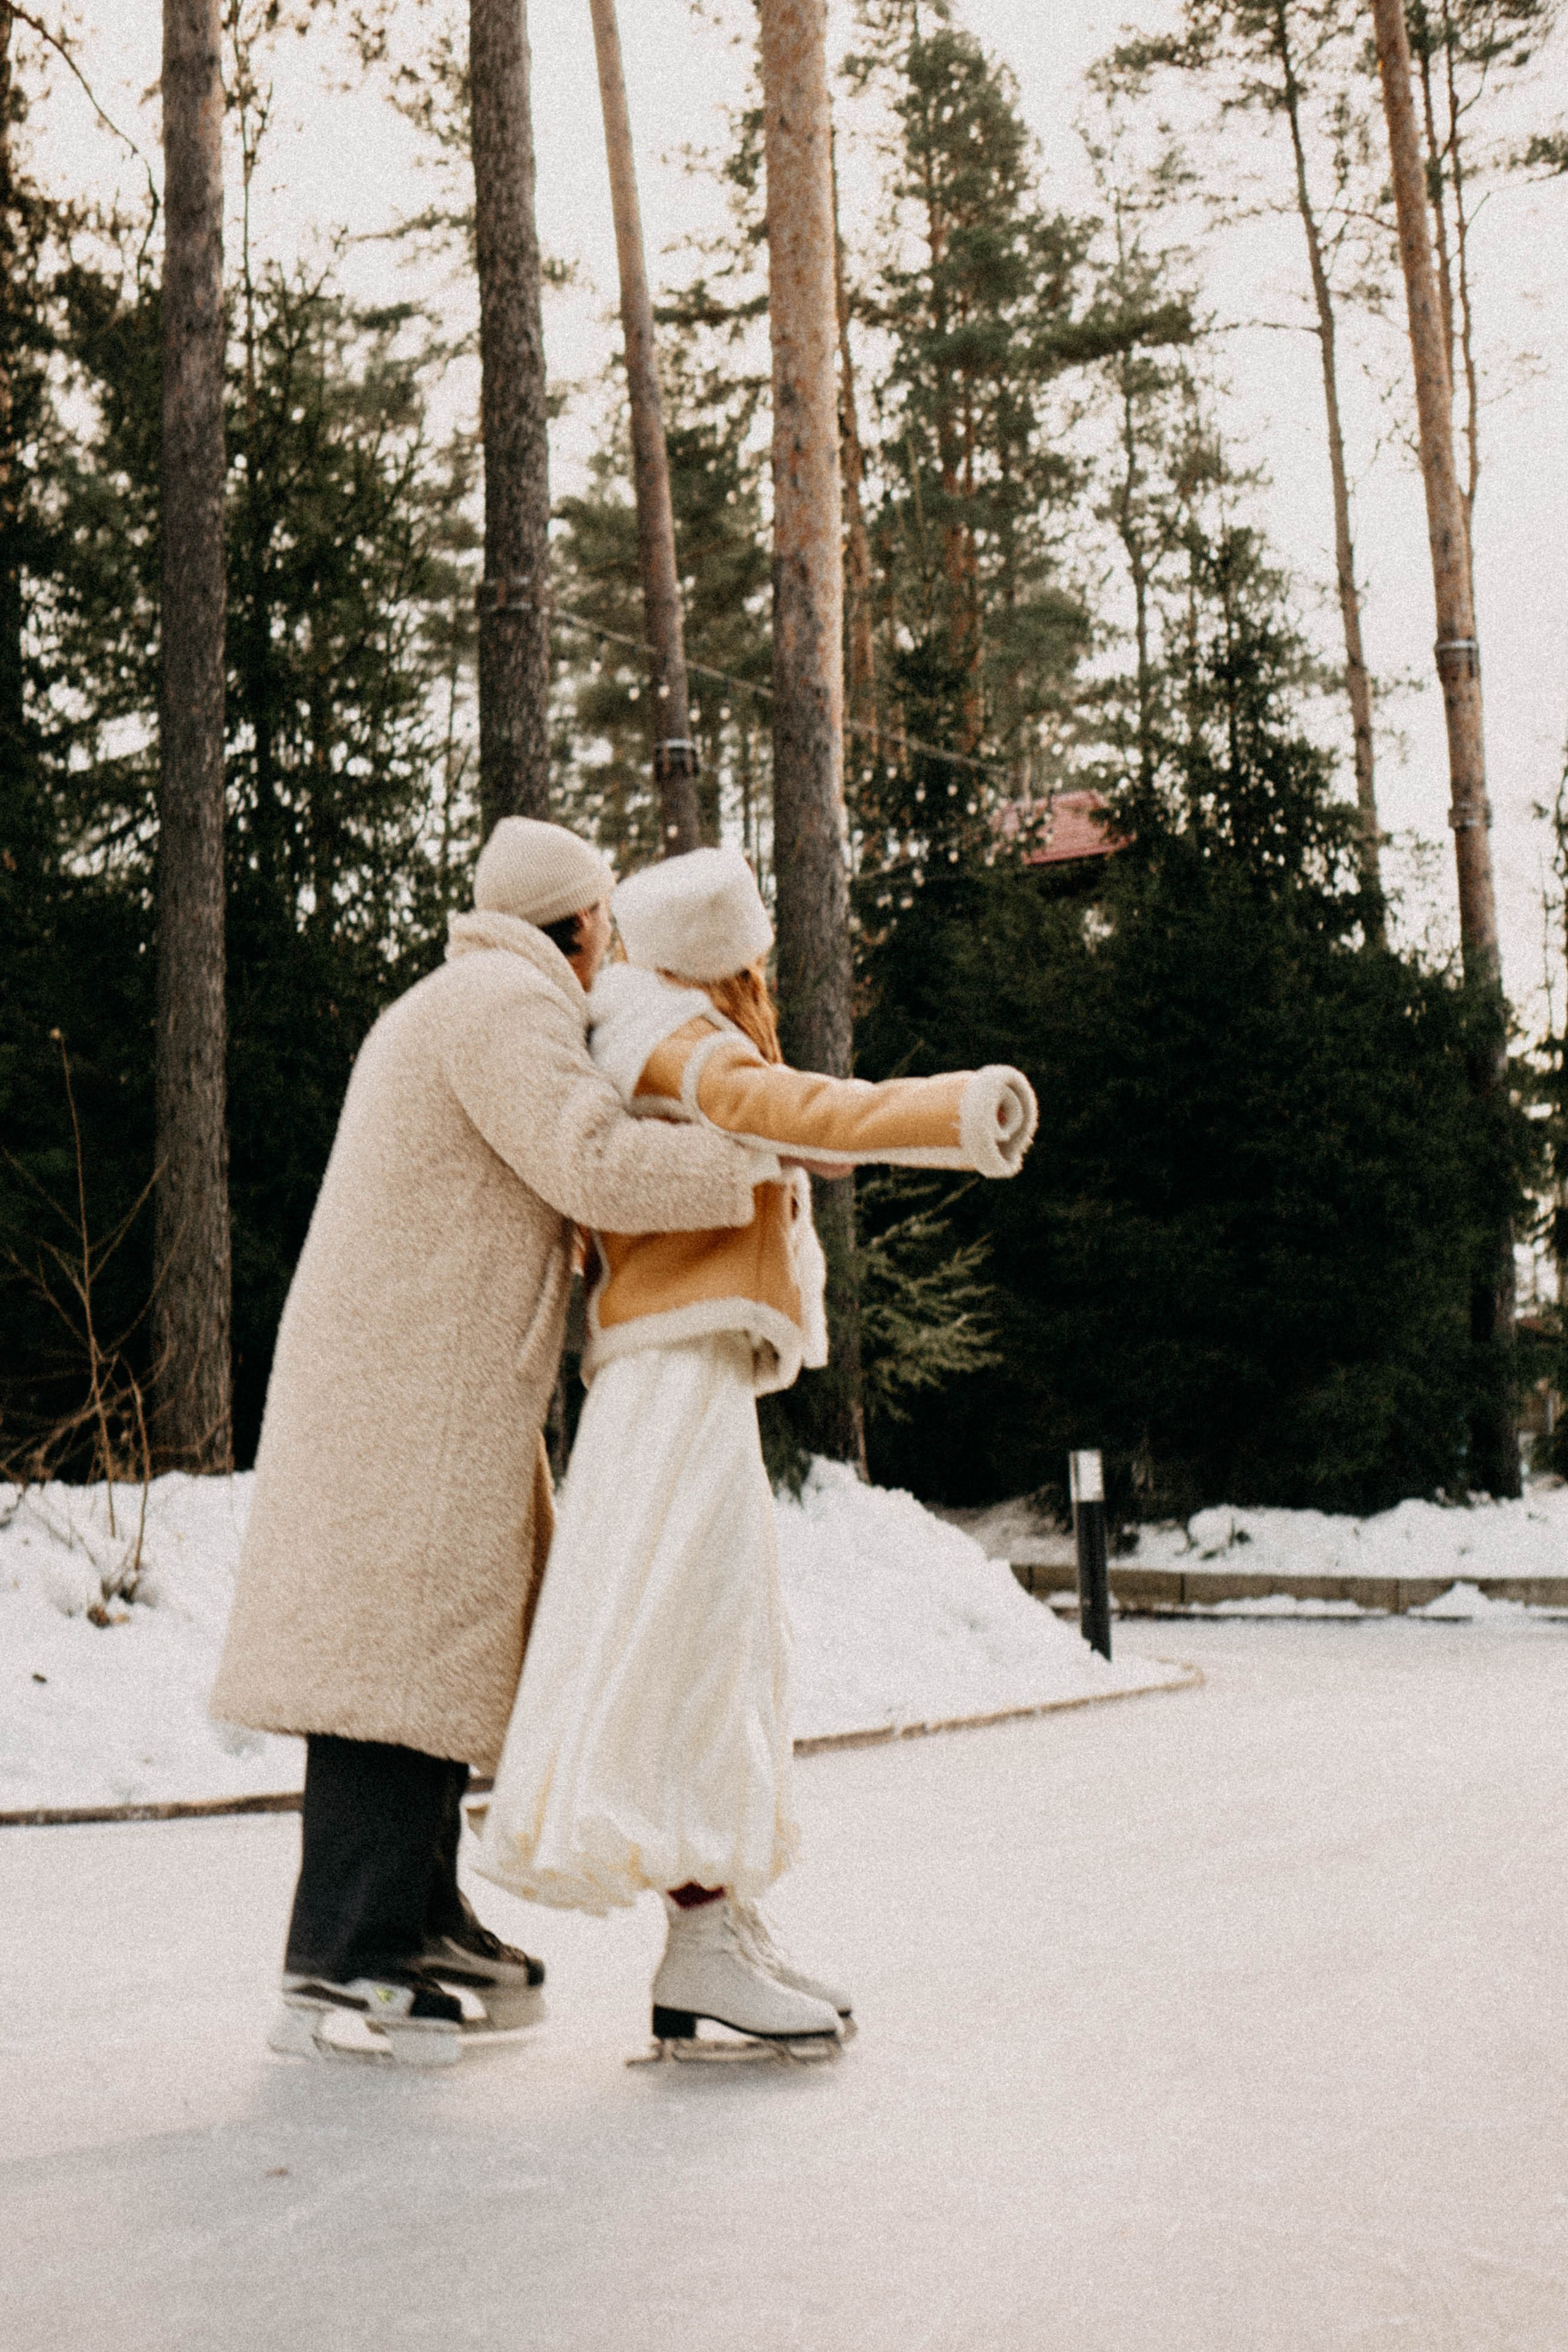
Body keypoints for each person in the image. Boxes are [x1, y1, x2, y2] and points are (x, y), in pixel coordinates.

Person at [208, 820, 773, 2066]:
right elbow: (589, 1159)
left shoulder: (463, 997)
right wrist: (741, 1164)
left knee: (430, 1657)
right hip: (410, 1387)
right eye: (605, 932)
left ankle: (412, 1915)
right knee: (389, 1666)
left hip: (420, 1382)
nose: (608, 956)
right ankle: (348, 1953)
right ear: (575, 927)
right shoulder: (502, 1005)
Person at [475, 846, 1038, 2054]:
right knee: (698, 1651)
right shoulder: (672, 1036)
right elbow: (791, 1109)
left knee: (716, 1649)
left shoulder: (662, 1025)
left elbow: (788, 1123)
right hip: (671, 1381)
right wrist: (956, 1107)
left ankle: (716, 1931)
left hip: (680, 1376)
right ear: (721, 957)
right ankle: (702, 1943)